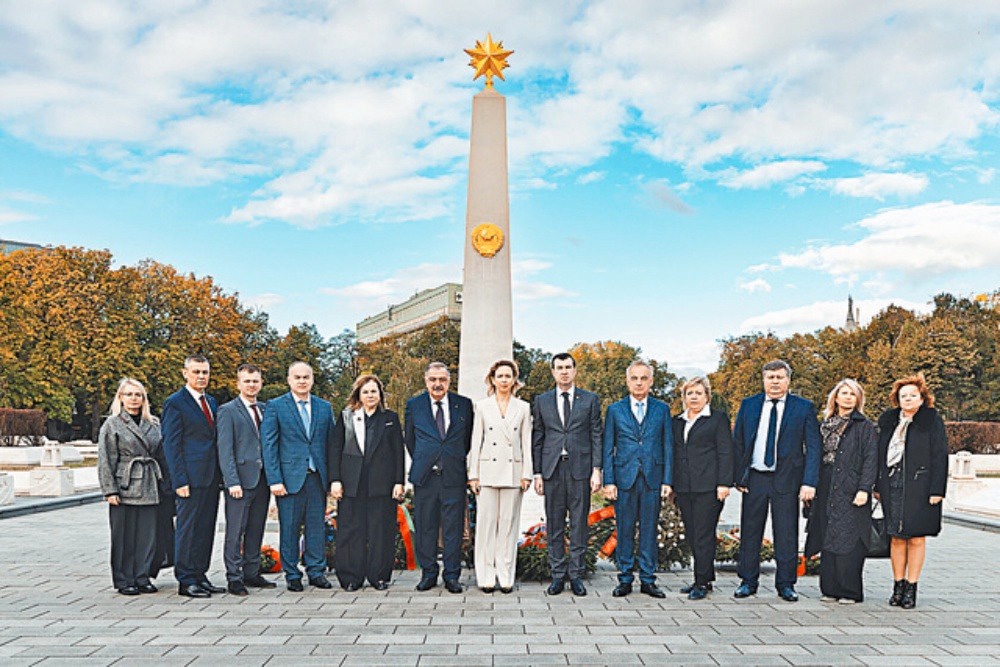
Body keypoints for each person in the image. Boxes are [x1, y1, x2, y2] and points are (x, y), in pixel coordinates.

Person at [733, 359, 821, 602]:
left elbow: (813, 447)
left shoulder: (803, 408)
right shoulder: (749, 405)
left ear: (788, 380)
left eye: (779, 377)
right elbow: (738, 441)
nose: (774, 382)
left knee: (786, 532)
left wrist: (809, 482)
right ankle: (748, 581)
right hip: (755, 478)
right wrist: (737, 476)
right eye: (770, 377)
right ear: (763, 380)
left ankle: (786, 584)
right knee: (750, 531)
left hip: (787, 479)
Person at [531, 352, 603, 596]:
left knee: (579, 524)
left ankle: (576, 575)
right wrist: (537, 473)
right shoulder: (542, 401)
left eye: (568, 367)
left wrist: (596, 470)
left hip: (580, 469)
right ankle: (557, 575)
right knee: (554, 524)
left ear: (574, 371)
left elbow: (596, 435)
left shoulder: (589, 400)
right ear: (553, 371)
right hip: (552, 469)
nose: (564, 371)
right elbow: (537, 437)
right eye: (559, 367)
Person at [261, 361, 336, 592]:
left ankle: (316, 571)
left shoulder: (324, 407)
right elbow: (269, 445)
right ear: (289, 380)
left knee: (316, 528)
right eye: (297, 377)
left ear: (312, 379)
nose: (302, 381)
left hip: (316, 478)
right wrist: (274, 479)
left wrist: (333, 479)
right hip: (289, 479)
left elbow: (331, 445)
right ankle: (292, 574)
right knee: (290, 528)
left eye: (306, 377)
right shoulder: (275, 406)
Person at [875, 374, 948, 609]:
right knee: (896, 536)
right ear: (897, 398)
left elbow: (940, 455)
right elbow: (878, 454)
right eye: (903, 395)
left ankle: (911, 588)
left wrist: (937, 489)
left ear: (922, 397)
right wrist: (877, 485)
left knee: (916, 537)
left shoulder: (931, 420)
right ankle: (897, 586)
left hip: (921, 486)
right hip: (892, 484)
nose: (908, 399)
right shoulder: (888, 421)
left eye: (912, 395)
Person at [602, 360, 674, 598]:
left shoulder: (662, 409)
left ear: (651, 381)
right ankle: (624, 578)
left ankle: (647, 578)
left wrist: (667, 480)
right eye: (635, 378)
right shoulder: (615, 410)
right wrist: (609, 481)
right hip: (624, 478)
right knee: (624, 529)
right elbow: (607, 447)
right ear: (628, 381)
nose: (639, 382)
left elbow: (667, 446)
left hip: (652, 478)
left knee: (649, 529)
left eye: (644, 378)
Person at [804, 379, 878, 604]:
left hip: (851, 486)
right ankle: (830, 588)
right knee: (827, 534)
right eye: (843, 393)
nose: (847, 397)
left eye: (852, 394)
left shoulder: (864, 426)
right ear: (835, 397)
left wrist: (864, 488)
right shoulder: (825, 424)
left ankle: (850, 591)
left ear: (858, 400)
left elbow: (870, 459)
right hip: (827, 484)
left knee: (850, 538)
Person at [329, 374, 405, 591]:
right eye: (366, 392)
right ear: (358, 395)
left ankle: (379, 576)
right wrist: (335, 480)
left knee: (381, 530)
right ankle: (351, 577)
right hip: (352, 484)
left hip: (382, 485)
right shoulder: (347, 417)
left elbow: (398, 451)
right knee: (352, 530)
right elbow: (335, 449)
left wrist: (399, 482)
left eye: (374, 391)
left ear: (380, 394)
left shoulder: (390, 418)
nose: (370, 395)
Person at [405, 361, 473, 594]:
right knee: (426, 526)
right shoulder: (414, 405)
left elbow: (467, 440)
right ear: (426, 381)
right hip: (425, 476)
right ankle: (429, 574)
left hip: (453, 475)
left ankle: (452, 575)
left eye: (442, 380)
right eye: (433, 380)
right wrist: (429, 459)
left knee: (453, 527)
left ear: (449, 381)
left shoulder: (463, 405)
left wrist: (449, 458)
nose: (437, 384)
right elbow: (411, 441)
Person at [97, 378, 169, 596]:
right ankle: (124, 578)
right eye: (129, 394)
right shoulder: (112, 424)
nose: (134, 399)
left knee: (147, 535)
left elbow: (161, 454)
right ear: (120, 397)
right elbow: (105, 459)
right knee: (123, 536)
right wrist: (109, 490)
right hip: (125, 484)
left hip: (149, 482)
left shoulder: (154, 423)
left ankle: (142, 575)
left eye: (138, 395)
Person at [161, 354, 225, 598]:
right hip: (189, 479)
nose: (201, 376)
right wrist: (179, 481)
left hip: (210, 477)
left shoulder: (211, 402)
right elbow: (171, 445)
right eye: (197, 372)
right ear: (185, 373)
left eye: (205, 372)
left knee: (205, 528)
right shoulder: (175, 403)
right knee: (188, 529)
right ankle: (186, 579)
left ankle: (200, 574)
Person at [468, 360, 533, 594]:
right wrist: (473, 474)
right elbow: (477, 441)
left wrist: (527, 474)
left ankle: (505, 575)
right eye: (500, 376)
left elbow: (526, 442)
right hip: (487, 472)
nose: (504, 380)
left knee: (508, 525)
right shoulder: (482, 406)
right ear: (492, 379)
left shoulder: (523, 408)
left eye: (508, 376)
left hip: (513, 473)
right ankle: (485, 575)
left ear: (515, 380)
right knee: (486, 526)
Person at [671, 376, 734, 600]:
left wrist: (724, 483)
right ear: (684, 397)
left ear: (707, 396)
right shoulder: (677, 422)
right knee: (692, 534)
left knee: (704, 535)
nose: (694, 397)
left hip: (709, 487)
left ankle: (700, 581)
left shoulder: (717, 419)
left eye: (698, 393)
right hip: (684, 488)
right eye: (690, 393)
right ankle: (705, 578)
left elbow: (725, 452)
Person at [216, 363, 275, 595]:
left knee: (256, 528)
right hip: (240, 481)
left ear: (261, 383)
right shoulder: (228, 410)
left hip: (262, 479)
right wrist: (232, 481)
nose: (251, 385)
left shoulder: (265, 408)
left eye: (255, 381)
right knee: (235, 530)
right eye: (247, 381)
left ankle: (252, 572)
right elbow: (225, 449)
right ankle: (234, 576)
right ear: (238, 383)